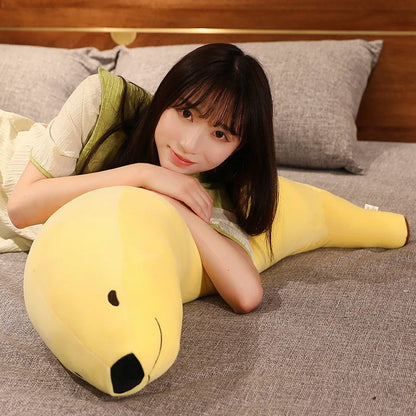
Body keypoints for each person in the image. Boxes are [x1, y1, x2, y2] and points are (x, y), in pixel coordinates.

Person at [4, 43, 278, 314]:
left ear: (238, 148)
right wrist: (142, 175)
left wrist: (169, 201)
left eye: (220, 134)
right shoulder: (102, 101)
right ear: (166, 96)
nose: (189, 145)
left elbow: (246, 295)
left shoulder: (211, 188)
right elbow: (21, 207)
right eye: (186, 113)